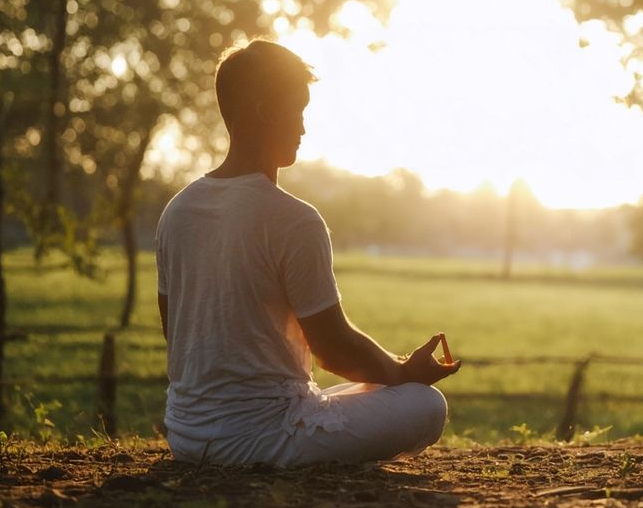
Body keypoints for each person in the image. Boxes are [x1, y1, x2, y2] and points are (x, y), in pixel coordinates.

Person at [156, 39, 460, 466]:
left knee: (374, 390)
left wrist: (395, 368)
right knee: (425, 404)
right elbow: (332, 349)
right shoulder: (293, 219)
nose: (302, 128)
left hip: (186, 435)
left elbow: (178, 333)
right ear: (267, 113)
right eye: (297, 112)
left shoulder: (178, 211)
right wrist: (405, 372)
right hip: (261, 439)